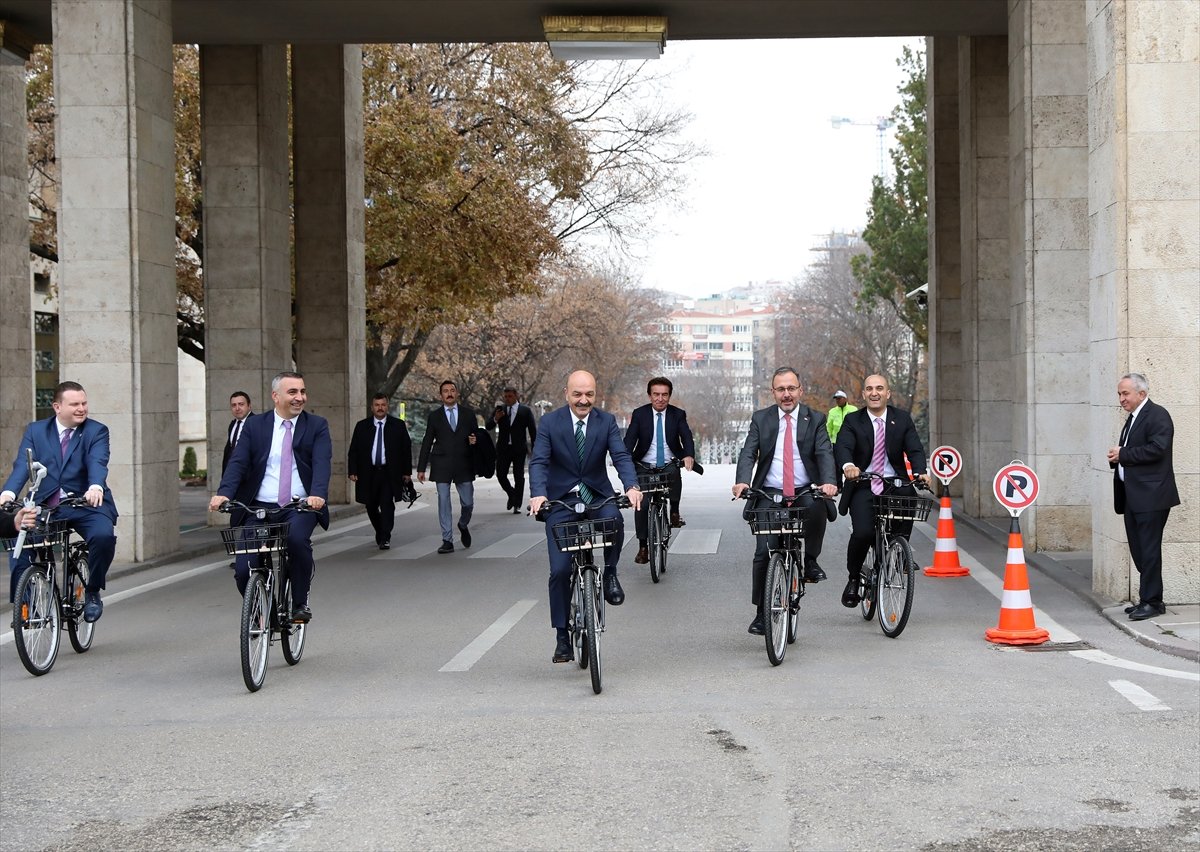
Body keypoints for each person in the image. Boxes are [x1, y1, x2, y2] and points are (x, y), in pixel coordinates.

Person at [529, 370, 643, 663]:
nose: (583, 400)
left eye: (589, 394)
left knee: (615, 520)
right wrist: (538, 494)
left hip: (596, 494)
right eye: (577, 394)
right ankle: (562, 637)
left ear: (596, 394)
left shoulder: (605, 421)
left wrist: (631, 486)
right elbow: (539, 461)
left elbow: (620, 456)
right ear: (566, 393)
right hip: (561, 500)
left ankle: (611, 574)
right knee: (560, 571)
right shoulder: (550, 423)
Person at [209, 371, 330, 623]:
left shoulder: (316, 426)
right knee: (243, 570)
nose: (300, 398)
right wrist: (223, 494)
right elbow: (238, 463)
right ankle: (267, 612)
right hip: (259, 507)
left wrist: (317, 494)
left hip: (300, 506)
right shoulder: (255, 426)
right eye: (293, 392)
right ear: (276, 396)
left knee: (297, 541)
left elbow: (321, 464)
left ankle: (299, 602)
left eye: (302, 392)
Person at [732, 368, 838, 635]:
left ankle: (811, 561)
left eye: (791, 388)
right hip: (769, 491)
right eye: (781, 389)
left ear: (800, 390)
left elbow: (824, 452)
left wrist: (828, 481)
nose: (787, 394)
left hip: (804, 489)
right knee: (762, 553)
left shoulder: (815, 419)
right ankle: (761, 613)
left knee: (816, 508)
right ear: (773, 392)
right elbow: (748, 453)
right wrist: (743, 481)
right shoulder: (761, 419)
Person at [1, 381, 119, 622]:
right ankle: (27, 606)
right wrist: (8, 493)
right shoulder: (36, 431)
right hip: (47, 506)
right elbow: (24, 466)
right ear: (57, 407)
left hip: (85, 504)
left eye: (84, 403)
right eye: (74, 404)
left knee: (103, 537)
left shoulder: (96, 431)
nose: (81, 408)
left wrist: (95, 486)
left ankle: (93, 591)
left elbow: (98, 460)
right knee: (19, 545)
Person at [835, 373, 929, 609]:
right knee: (863, 533)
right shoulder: (853, 420)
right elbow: (843, 447)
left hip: (893, 481)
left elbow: (915, 449)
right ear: (864, 394)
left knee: (909, 498)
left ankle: (899, 550)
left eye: (879, 388)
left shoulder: (902, 419)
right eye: (869, 389)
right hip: (864, 483)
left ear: (888, 393)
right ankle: (854, 578)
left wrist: (921, 471)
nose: (874, 393)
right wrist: (849, 467)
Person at [1107, 372, 1179, 621]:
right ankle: (1150, 599)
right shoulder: (1133, 418)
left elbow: (1158, 449)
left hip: (1152, 496)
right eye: (1119, 394)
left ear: (1142, 393)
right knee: (1139, 550)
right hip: (1133, 496)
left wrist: (1123, 454)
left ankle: (1152, 601)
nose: (1121, 399)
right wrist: (1118, 458)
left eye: (1125, 393)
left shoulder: (1157, 415)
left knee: (1148, 550)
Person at [624, 376, 696, 565]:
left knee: (674, 471)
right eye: (656, 394)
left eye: (664, 395)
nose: (660, 399)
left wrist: (688, 455)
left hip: (669, 462)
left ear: (669, 396)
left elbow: (686, 436)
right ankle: (643, 547)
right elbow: (630, 440)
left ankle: (675, 512)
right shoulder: (639, 414)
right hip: (644, 465)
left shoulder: (677, 414)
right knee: (642, 505)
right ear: (649, 396)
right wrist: (624, 461)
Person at [417, 380, 478, 554]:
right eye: (445, 391)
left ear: (457, 393)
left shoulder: (468, 414)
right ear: (441, 395)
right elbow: (427, 441)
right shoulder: (434, 416)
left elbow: (477, 436)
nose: (449, 393)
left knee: (468, 502)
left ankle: (463, 524)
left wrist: (475, 441)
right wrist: (421, 468)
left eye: (452, 390)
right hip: (441, 464)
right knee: (443, 502)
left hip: (463, 463)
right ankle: (447, 540)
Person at [348, 393, 413, 550]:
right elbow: (354, 450)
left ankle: (385, 537)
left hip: (388, 472)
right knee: (370, 505)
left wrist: (406, 472)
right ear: (372, 408)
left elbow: (406, 449)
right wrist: (353, 470)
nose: (380, 408)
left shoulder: (397, 425)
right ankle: (380, 530)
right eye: (377, 405)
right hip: (367, 472)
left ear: (387, 406)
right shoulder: (362, 426)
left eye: (383, 405)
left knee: (386, 504)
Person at [491, 387, 537, 514]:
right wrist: (496, 418)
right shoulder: (500, 410)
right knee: (500, 474)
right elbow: (489, 425)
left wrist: (535, 449)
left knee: (519, 476)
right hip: (503, 448)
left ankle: (517, 504)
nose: (507, 399)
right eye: (505, 397)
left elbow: (532, 431)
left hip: (519, 449)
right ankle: (512, 494)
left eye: (510, 396)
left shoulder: (525, 411)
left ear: (516, 396)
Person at [826, 390, 857, 487]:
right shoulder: (832, 411)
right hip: (836, 442)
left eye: (839, 398)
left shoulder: (853, 409)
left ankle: (852, 483)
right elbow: (829, 427)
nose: (838, 401)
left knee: (850, 462)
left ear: (845, 399)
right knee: (836, 465)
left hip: (851, 442)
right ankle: (838, 486)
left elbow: (857, 426)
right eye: (836, 399)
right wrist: (828, 441)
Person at [221, 391, 254, 475]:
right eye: (234, 405)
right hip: (232, 475)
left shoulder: (257, 424)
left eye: (241, 404)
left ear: (249, 406)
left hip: (249, 477)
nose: (237, 408)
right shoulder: (232, 424)